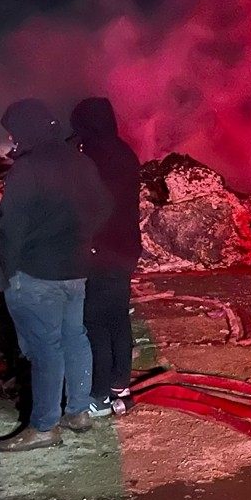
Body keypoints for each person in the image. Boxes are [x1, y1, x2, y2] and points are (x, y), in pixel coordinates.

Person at [0, 99, 109, 451]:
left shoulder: (27, 169)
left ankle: (44, 425)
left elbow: (11, 228)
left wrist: (5, 272)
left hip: (36, 274)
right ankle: (78, 411)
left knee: (46, 350)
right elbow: (103, 206)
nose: (11, 138)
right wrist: (80, 237)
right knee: (75, 338)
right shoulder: (81, 161)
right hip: (75, 270)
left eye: (13, 130)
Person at [69, 97, 142, 418]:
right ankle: (120, 387)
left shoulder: (92, 157)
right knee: (118, 317)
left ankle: (98, 395)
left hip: (100, 250)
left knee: (95, 321)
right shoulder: (125, 152)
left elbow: (88, 206)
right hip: (125, 247)